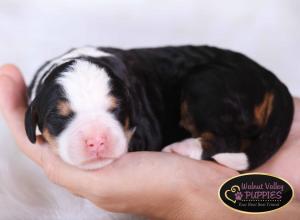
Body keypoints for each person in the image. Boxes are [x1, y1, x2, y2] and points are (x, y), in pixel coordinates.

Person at [0, 64, 299, 219]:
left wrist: (189, 197)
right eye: (64, 118)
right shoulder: (41, 95)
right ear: (34, 121)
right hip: (240, 88)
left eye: (112, 110)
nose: (95, 140)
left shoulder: (130, 91)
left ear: (130, 107)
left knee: (202, 93)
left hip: (234, 82)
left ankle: (220, 142)